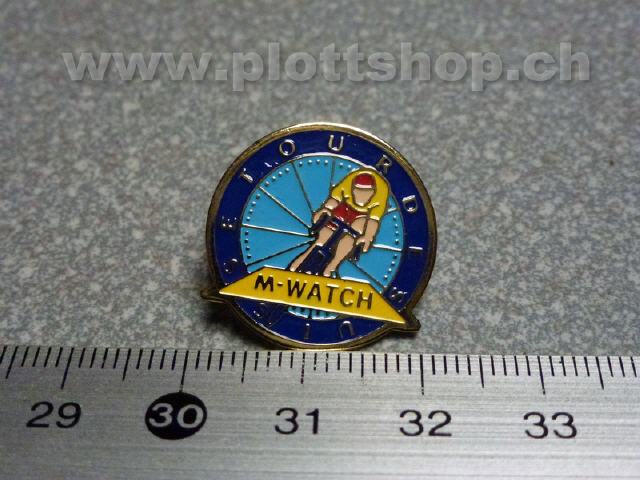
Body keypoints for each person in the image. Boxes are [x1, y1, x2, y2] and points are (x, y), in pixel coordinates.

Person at [289, 169, 389, 277]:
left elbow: (373, 220)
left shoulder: (381, 194)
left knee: (352, 237)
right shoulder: (347, 183)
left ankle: (332, 266)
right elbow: (335, 199)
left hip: (362, 216)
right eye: (358, 192)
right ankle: (297, 264)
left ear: (372, 192)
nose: (362, 197)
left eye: (366, 194)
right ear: (353, 189)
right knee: (323, 238)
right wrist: (326, 209)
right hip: (345, 208)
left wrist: (368, 236)